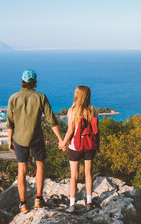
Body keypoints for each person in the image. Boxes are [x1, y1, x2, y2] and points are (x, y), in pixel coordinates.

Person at [7, 69, 63, 214]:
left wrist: (9, 139)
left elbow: (9, 122)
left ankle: (23, 204)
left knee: (22, 170)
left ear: (22, 81)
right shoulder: (41, 97)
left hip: (19, 138)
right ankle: (38, 199)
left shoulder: (13, 97)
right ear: (35, 83)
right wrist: (60, 139)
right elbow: (52, 120)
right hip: (36, 138)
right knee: (40, 165)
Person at [59, 85, 99, 213]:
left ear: (76, 95)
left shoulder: (72, 111)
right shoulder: (94, 110)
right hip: (90, 146)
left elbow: (70, 130)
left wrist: (63, 143)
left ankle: (72, 205)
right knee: (88, 174)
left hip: (75, 147)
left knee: (74, 176)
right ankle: (89, 202)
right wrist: (97, 145)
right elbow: (96, 131)